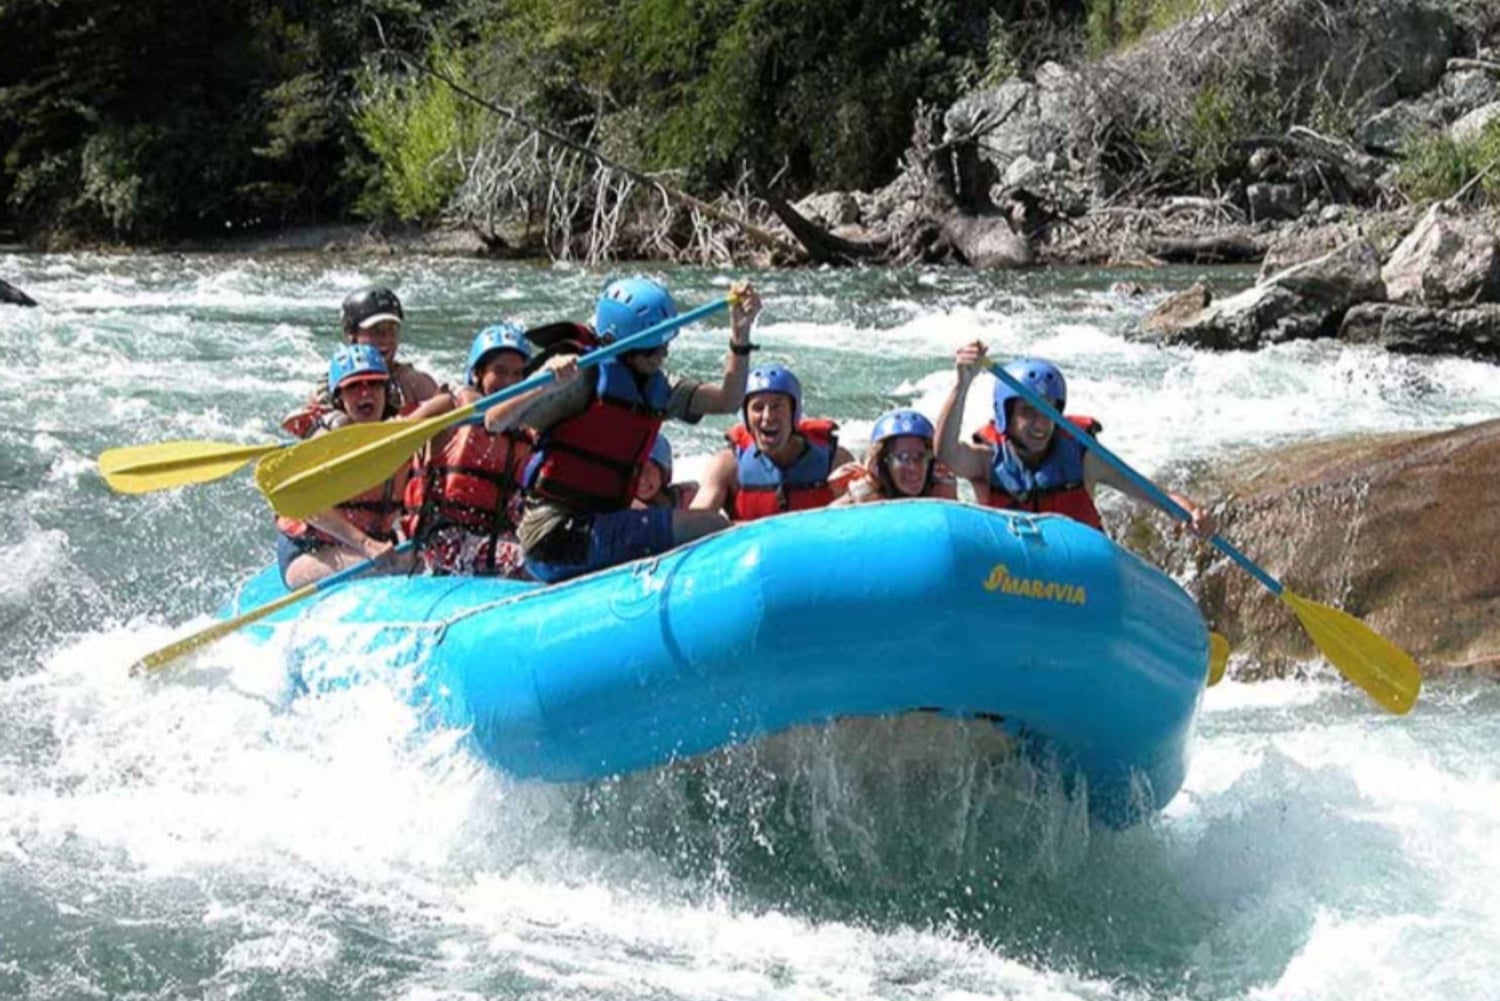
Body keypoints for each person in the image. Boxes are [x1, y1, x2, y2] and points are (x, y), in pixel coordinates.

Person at [481, 276, 764, 583]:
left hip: (598, 526)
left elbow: (728, 399)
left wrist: (740, 333)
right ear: (622, 345)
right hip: (555, 537)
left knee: (704, 525)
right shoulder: (580, 382)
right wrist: (542, 383)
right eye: (651, 350)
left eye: (664, 346)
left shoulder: (659, 388)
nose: (661, 356)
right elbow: (494, 420)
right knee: (709, 527)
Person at [935, 344, 1215, 536]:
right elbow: (946, 453)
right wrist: (962, 385)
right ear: (1005, 415)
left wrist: (1190, 513)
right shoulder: (986, 459)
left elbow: (1156, 495)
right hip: (1008, 575)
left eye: (1048, 412)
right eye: (1028, 412)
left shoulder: (1085, 458)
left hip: (1074, 579)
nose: (1040, 424)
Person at [401, 323, 534, 578]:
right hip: (443, 542)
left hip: (495, 537)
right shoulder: (451, 406)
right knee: (528, 564)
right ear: (477, 374)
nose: (509, 382)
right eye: (500, 371)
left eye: (517, 374)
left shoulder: (525, 427)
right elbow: (401, 435)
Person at [275, 345, 413, 588]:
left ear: (387, 391)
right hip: (310, 552)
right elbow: (306, 505)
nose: (365, 393)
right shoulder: (322, 442)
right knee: (404, 563)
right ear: (338, 398)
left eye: (374, 384)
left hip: (372, 541)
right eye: (353, 387)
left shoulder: (401, 436)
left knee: (421, 556)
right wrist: (367, 545)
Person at [692, 364, 855, 521]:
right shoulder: (727, 466)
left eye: (777, 406)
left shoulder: (836, 462)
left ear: (794, 413)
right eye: (758, 407)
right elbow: (696, 525)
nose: (768, 416)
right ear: (746, 417)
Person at [280, 286, 444, 438]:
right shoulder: (329, 387)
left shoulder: (413, 383)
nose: (386, 338)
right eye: (376, 331)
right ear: (352, 335)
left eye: (392, 329)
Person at [831, 409, 959, 505]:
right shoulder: (859, 502)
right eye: (903, 457)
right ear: (883, 463)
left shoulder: (942, 495)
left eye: (919, 457)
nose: (913, 467)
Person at [633, 435, 698, 510]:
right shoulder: (621, 509)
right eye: (634, 471)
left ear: (664, 474)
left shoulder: (687, 499)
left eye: (648, 471)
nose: (642, 480)